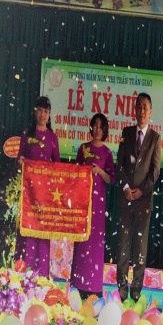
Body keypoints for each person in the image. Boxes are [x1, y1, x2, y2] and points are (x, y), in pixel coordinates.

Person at [116, 93, 161, 302]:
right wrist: (126, 187)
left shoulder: (155, 138)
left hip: (143, 200)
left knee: (140, 244)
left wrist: (141, 191)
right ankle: (122, 286)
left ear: (150, 112)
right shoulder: (126, 133)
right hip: (125, 198)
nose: (142, 111)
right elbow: (120, 164)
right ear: (134, 110)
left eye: (145, 107)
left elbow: (155, 171)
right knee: (123, 242)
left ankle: (136, 288)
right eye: (139, 107)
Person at [71, 113, 115, 299]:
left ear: (105, 131)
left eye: (101, 127)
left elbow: (112, 179)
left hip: (98, 203)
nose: (97, 130)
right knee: (82, 241)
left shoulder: (107, 153)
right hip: (83, 202)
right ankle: (78, 284)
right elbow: (74, 172)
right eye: (95, 126)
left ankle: (94, 287)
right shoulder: (83, 148)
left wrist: (99, 172)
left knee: (95, 242)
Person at [15, 96, 60, 276]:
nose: (43, 114)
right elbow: (19, 159)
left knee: (42, 233)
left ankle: (41, 276)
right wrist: (21, 161)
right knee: (27, 232)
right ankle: (23, 274)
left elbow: (57, 167)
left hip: (45, 195)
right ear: (35, 112)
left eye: (46, 111)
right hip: (29, 194)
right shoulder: (27, 134)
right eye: (40, 110)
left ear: (50, 115)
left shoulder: (52, 138)